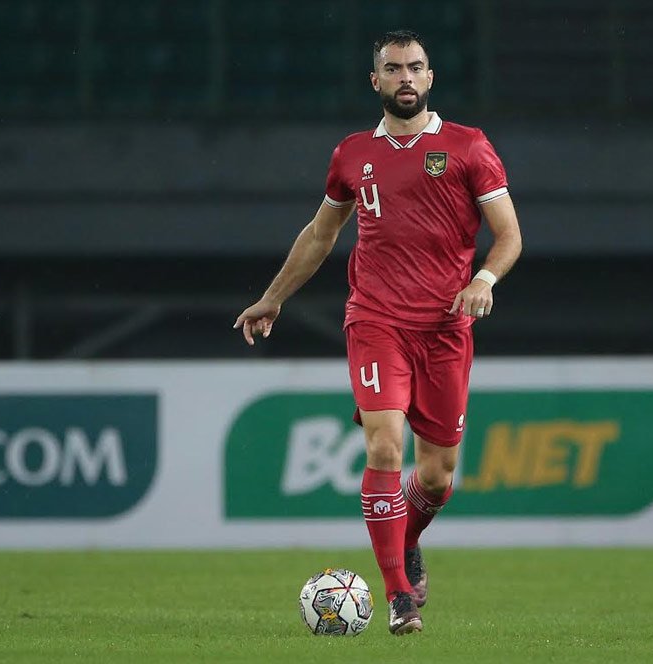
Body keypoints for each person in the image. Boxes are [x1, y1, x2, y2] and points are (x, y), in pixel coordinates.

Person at [233, 30, 522, 635]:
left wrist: (485, 279)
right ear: (376, 81)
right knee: (385, 446)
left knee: (438, 477)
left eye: (416, 68)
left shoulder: (469, 147)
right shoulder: (352, 154)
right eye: (394, 69)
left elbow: (509, 235)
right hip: (376, 320)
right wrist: (272, 298)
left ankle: (405, 538)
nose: (406, 78)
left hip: (446, 327)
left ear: (431, 77)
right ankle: (397, 597)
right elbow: (320, 235)